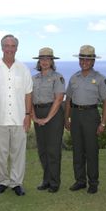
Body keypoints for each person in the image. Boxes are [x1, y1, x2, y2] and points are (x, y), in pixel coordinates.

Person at [0, 34, 33, 196]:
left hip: (19, 118)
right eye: (7, 45)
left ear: (16, 48)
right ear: (2, 47)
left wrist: (27, 115)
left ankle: (16, 182)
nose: (9, 49)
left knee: (18, 153)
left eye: (12, 46)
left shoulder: (23, 69)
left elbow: (28, 94)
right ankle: (3, 181)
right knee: (1, 153)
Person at [64, 45, 106, 194]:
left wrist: (103, 122)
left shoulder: (99, 78)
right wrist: (67, 118)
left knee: (91, 150)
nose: (84, 61)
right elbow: (68, 99)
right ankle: (80, 180)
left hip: (91, 115)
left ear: (93, 61)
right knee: (77, 150)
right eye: (82, 58)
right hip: (76, 115)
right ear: (79, 60)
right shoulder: (74, 77)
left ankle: (93, 182)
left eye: (88, 59)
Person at [31, 47, 65, 193]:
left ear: (52, 61)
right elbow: (29, 99)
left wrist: (47, 118)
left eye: (47, 59)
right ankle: (46, 180)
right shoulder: (34, 78)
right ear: (39, 61)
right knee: (42, 150)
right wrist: (33, 116)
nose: (44, 62)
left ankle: (54, 182)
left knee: (53, 150)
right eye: (42, 59)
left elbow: (58, 100)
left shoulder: (58, 77)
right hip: (38, 113)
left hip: (53, 114)